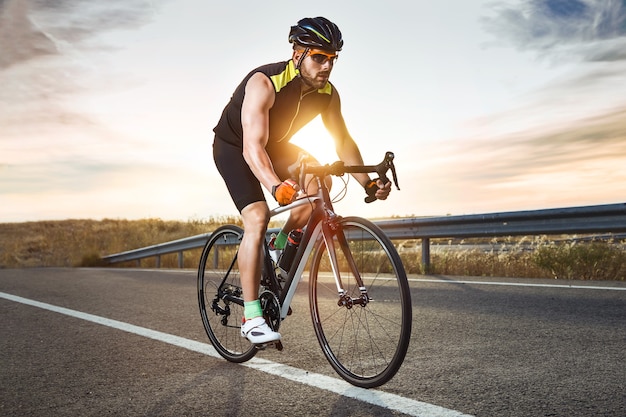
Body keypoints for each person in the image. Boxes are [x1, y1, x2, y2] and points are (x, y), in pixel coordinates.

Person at [212, 17, 391, 344]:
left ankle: (279, 247)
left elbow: (343, 142)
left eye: (332, 59)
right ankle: (251, 316)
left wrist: (367, 183)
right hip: (235, 146)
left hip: (277, 146)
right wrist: (274, 185)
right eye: (318, 57)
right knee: (257, 216)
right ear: (297, 54)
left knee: (319, 189)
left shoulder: (327, 93)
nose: (326, 66)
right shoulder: (265, 82)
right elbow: (253, 147)